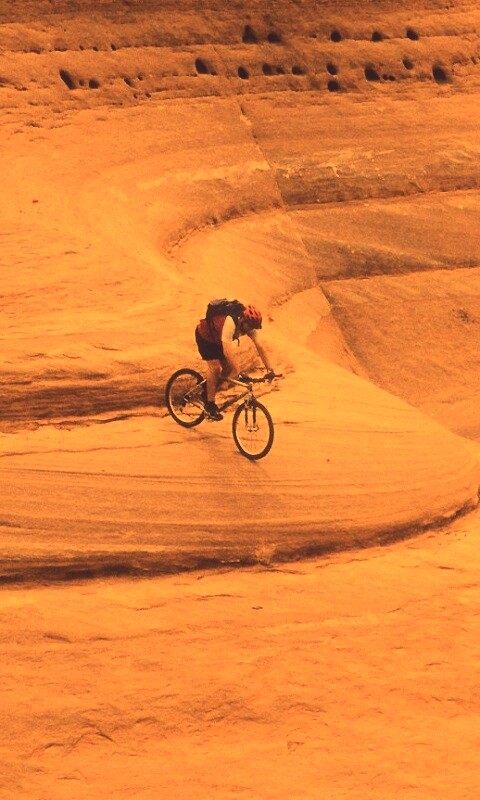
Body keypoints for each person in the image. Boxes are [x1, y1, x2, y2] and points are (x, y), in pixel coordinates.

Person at [195, 302, 275, 420]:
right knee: (215, 368)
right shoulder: (230, 322)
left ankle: (207, 393)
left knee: (227, 368)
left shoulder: (249, 326)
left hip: (218, 340)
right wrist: (239, 372)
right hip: (205, 336)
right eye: (250, 326)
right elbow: (227, 352)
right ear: (243, 320)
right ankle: (210, 405)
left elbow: (260, 346)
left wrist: (270, 369)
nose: (251, 329)